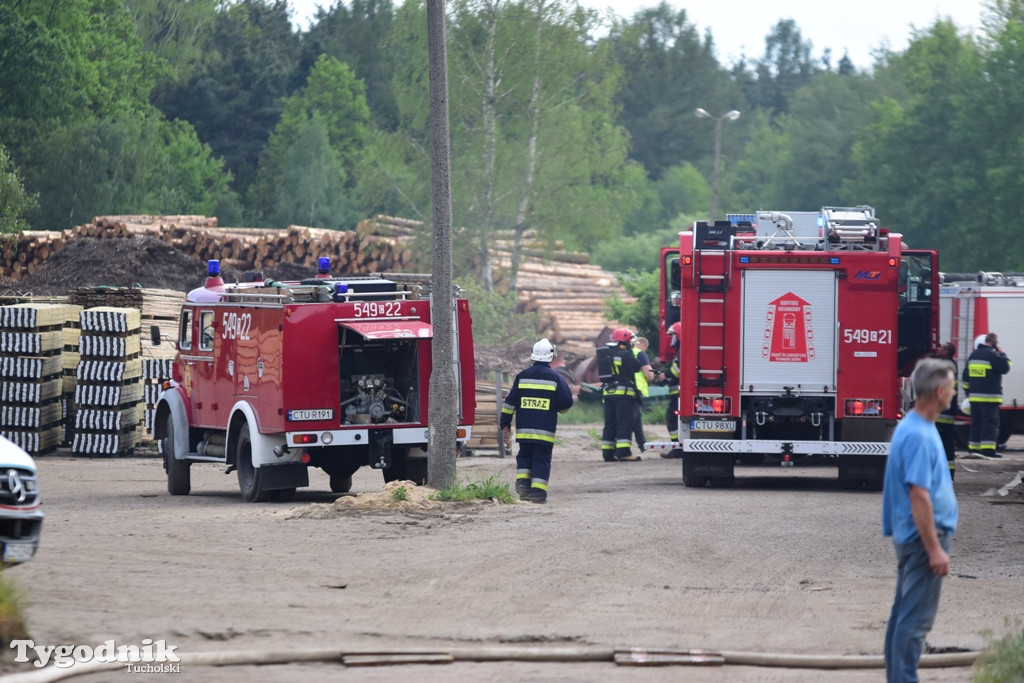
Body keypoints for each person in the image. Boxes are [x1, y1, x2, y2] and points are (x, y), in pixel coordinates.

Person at [882, 357, 958, 683]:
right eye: (952, 387)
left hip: (912, 536)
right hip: (922, 538)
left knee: (903, 615)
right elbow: (919, 495)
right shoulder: (919, 436)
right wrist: (935, 550)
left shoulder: (915, 426)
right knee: (914, 624)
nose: (954, 394)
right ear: (939, 391)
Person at [500, 339, 574, 504]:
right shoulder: (556, 378)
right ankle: (538, 494)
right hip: (545, 431)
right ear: (550, 356)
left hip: (524, 430)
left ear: (533, 356)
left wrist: (504, 423)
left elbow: (509, 403)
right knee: (541, 459)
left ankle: (523, 489)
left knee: (524, 456)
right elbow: (566, 403)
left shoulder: (522, 376)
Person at [961, 332, 1011, 458]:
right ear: (994, 343)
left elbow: (965, 378)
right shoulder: (993, 355)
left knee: (976, 423)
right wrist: (1002, 353)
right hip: (990, 397)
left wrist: (969, 392)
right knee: (990, 424)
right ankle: (988, 450)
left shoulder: (973, 355)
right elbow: (1005, 367)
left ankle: (973, 449)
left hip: (974, 397)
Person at [600, 328, 645, 462]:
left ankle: (608, 453)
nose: (631, 344)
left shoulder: (607, 354)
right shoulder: (626, 354)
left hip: (608, 394)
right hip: (624, 395)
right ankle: (624, 452)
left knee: (610, 424)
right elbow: (637, 366)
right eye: (630, 341)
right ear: (624, 341)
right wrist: (632, 353)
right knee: (624, 423)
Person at [931, 342, 958, 480]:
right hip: (946, 413)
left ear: (946, 351)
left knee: (942, 446)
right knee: (946, 445)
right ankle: (947, 475)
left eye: (941, 348)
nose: (938, 349)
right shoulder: (950, 364)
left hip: (942, 414)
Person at [657, 322, 683, 459]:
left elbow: (678, 370)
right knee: (674, 419)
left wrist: (665, 375)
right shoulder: (682, 350)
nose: (672, 340)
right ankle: (678, 446)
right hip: (677, 393)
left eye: (674, 336)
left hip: (679, 394)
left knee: (672, 419)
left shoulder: (682, 350)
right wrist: (666, 379)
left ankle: (678, 448)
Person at [631, 335, 655, 453]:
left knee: (635, 418)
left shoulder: (627, 352)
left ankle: (642, 443)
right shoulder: (640, 353)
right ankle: (639, 444)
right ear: (643, 345)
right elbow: (649, 374)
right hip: (636, 390)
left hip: (625, 389)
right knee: (633, 419)